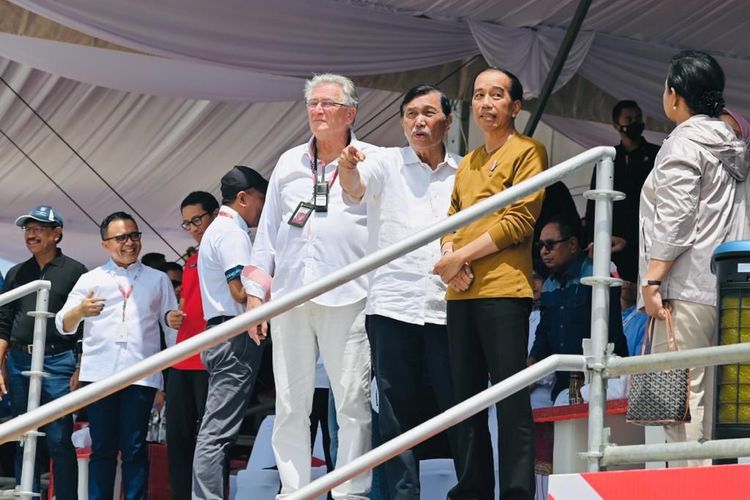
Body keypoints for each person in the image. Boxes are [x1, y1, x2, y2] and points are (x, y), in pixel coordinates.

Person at [244, 73, 375, 499]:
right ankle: (295, 490)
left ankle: (351, 491)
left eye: (328, 104)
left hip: (349, 294)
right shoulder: (287, 163)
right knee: (290, 403)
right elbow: (267, 235)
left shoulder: (372, 159)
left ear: (350, 113)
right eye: (313, 103)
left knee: (351, 400)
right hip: (291, 296)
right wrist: (254, 296)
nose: (317, 111)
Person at [338, 84, 461, 499]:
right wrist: (348, 168)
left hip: (448, 308)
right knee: (394, 416)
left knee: (460, 408)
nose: (419, 121)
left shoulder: (465, 172)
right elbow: (355, 187)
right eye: (410, 114)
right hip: (393, 306)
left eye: (428, 112)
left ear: (448, 119)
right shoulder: (385, 162)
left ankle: (469, 490)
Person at [433, 67, 546, 500]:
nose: (485, 103)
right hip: (460, 291)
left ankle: (516, 492)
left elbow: (519, 220)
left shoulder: (528, 151)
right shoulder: (468, 162)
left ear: (515, 106)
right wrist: (449, 256)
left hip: (504, 290)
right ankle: (473, 489)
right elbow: (452, 219)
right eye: (479, 95)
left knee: (511, 400)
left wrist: (459, 255)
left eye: (496, 95)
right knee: (465, 400)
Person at [640, 49, 749, 467]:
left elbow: (675, 216)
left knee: (683, 397)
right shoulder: (734, 143)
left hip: (683, 286)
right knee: (719, 398)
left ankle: (692, 485)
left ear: (675, 93)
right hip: (729, 287)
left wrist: (652, 279)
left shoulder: (684, 142)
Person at [56, 211, 182, 500]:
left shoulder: (158, 279)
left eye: (134, 235)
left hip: (142, 373)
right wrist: (80, 311)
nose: (130, 243)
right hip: (100, 374)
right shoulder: (92, 278)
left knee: (135, 447)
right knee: (103, 447)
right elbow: (62, 323)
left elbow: (170, 325)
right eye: (121, 237)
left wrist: (172, 320)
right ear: (105, 244)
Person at [0, 205, 86, 499]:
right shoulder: (15, 272)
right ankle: (27, 495)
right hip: (19, 360)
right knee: (24, 436)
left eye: (38, 229)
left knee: (61, 437)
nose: (31, 235)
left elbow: (86, 326)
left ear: (56, 233)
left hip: (60, 359)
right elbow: (3, 324)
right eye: (27, 229)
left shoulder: (76, 272)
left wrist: (79, 365)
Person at [193, 166, 267, 500]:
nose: (263, 209)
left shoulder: (219, 229)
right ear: (243, 198)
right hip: (233, 334)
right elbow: (240, 292)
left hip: (224, 333)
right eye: (260, 200)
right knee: (217, 433)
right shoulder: (231, 232)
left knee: (217, 431)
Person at [528, 217, 628, 403]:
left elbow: (611, 332)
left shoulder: (597, 276)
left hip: (599, 384)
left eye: (550, 245)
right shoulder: (549, 284)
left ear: (573, 244)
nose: (543, 251)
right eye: (540, 245)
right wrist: (532, 361)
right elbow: (544, 331)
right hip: (562, 389)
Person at [166, 191, 218, 500]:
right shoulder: (190, 262)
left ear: (214, 214)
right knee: (178, 441)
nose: (194, 228)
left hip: (212, 358)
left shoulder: (230, 248)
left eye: (197, 220)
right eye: (187, 224)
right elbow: (183, 305)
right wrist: (173, 315)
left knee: (210, 442)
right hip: (181, 359)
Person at [584, 100, 661, 284]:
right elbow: (594, 204)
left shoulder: (657, 155)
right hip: (611, 246)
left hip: (646, 244)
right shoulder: (607, 158)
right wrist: (592, 241)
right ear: (616, 125)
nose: (635, 123)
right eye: (629, 119)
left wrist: (633, 240)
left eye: (637, 118)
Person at [620, 280, 649, 356]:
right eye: (625, 278)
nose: (629, 282)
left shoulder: (646, 318)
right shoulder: (606, 313)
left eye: (633, 279)